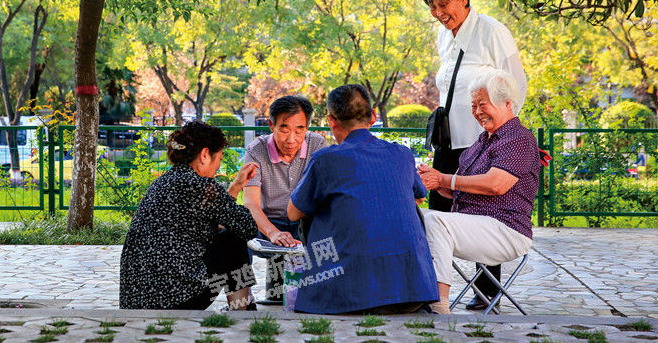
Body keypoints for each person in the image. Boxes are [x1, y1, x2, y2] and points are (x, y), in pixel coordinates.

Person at [423, 0, 527, 309]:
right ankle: (432, 289)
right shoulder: (443, 37)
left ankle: (488, 291)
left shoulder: (492, 31)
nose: (438, 12)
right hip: (448, 141)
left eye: (443, 4)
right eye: (432, 7)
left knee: (484, 209)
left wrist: (500, 130)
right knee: (437, 208)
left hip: (482, 141)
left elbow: (517, 85)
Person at [286, 84, 439, 314]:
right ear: (373, 116)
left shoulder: (325, 159)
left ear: (331, 121)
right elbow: (418, 198)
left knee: (309, 214)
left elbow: (293, 212)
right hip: (411, 292)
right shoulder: (402, 154)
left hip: (347, 294)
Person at [418, 69, 540, 314]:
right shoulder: (483, 140)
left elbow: (496, 184)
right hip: (475, 224)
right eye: (473, 106)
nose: (477, 112)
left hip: (506, 230)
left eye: (482, 104)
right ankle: (411, 295)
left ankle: (438, 303)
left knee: (436, 222)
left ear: (507, 104)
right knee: (413, 216)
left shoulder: (519, 139)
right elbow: (461, 190)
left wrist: (446, 178)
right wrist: (431, 181)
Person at [119, 120, 259, 310]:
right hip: (178, 300)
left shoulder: (163, 182)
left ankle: (243, 309)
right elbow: (247, 227)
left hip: (138, 300)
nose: (219, 165)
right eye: (219, 158)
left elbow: (202, 220)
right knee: (233, 239)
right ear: (204, 155)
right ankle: (243, 311)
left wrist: (236, 186)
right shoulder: (202, 186)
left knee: (227, 233)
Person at [242, 95, 327, 301]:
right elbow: (251, 202)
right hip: (268, 224)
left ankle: (320, 296)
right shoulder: (256, 150)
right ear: (272, 125)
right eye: (284, 129)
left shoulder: (318, 145)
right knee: (234, 235)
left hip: (304, 222)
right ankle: (241, 301)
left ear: (307, 127)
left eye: (299, 130)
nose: (291, 139)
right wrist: (273, 233)